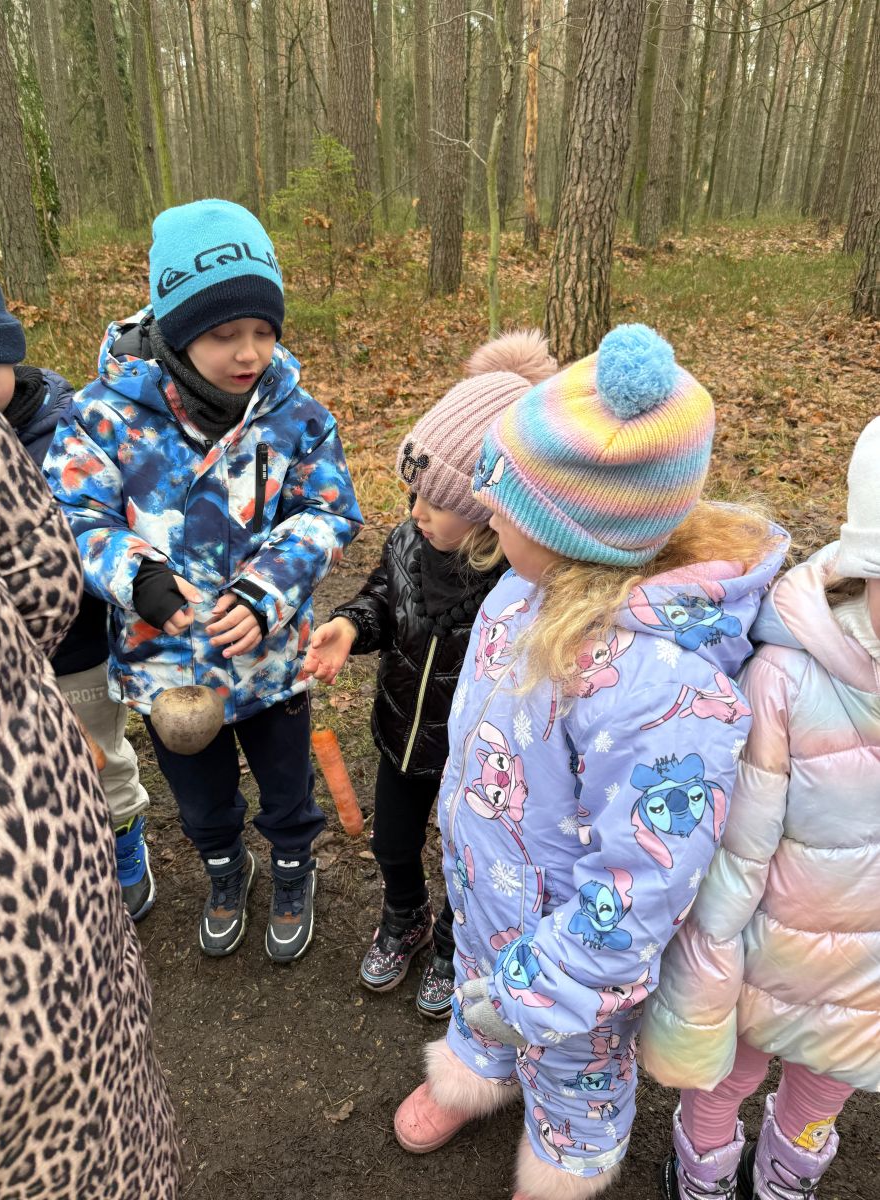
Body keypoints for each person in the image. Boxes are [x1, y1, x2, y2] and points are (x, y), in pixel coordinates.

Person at [392, 324, 788, 1200]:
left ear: (575, 533)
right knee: (481, 1001)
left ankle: (563, 1157)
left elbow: (643, 880)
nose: (486, 513)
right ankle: (475, 1071)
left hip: (575, 963)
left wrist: (546, 982)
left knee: (575, 1072)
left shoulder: (662, 688)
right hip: (489, 895)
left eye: (506, 507)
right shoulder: (526, 587)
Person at [44, 199, 362, 963]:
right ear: (176, 328)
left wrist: (266, 592)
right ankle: (225, 868)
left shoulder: (296, 417)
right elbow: (74, 514)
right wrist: (141, 579)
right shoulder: (103, 417)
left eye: (263, 330)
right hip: (167, 669)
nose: (248, 352)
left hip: (271, 661)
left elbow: (328, 511)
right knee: (199, 795)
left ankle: (292, 867)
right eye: (224, 334)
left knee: (287, 785)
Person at [640, 415, 880, 1200]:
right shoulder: (786, 678)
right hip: (763, 954)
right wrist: (707, 970)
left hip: (866, 975)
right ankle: (704, 1173)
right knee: (722, 1077)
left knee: (824, 1088)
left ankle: (785, 1176)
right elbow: (739, 850)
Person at [304, 332, 556, 1018]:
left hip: (471, 764)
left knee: (465, 861)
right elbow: (383, 599)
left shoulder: (515, 585)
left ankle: (452, 942)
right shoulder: (407, 542)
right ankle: (405, 916)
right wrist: (350, 626)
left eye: (434, 502)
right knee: (392, 843)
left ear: (484, 511)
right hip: (400, 737)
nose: (415, 511)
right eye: (413, 492)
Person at [0, 369, 181, 1198]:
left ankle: (127, 838)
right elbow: (51, 560)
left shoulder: (59, 416)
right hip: (25, 734)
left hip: (61, 679)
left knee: (109, 758)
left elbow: (43, 572)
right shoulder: (99, 419)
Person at [0, 265, 154, 921]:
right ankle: (55, 852)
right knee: (25, 770)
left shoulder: (69, 428)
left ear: (8, 357)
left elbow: (109, 521)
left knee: (98, 755)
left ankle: (123, 838)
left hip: (75, 648)